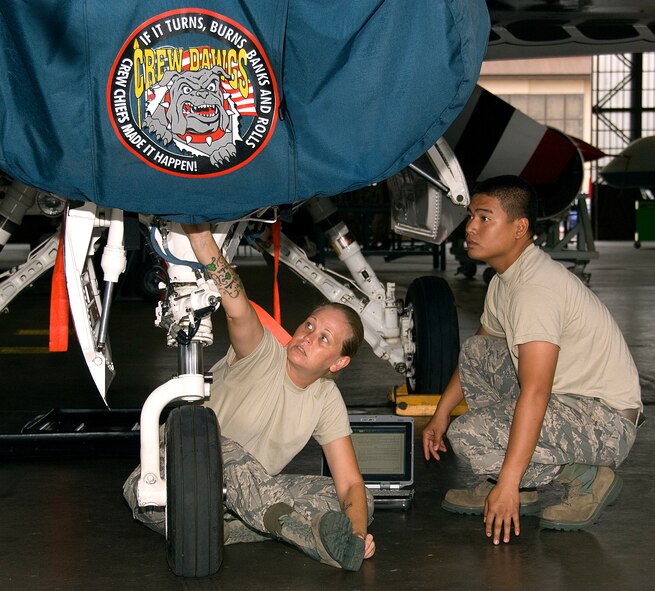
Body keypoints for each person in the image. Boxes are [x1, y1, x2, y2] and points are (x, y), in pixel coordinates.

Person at [123, 224, 376, 570]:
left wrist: (358, 533)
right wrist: (199, 238)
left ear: (339, 362)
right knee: (219, 446)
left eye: (324, 339)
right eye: (310, 326)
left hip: (241, 501)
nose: (306, 337)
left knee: (359, 501)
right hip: (175, 487)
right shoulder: (262, 352)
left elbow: (349, 482)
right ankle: (304, 537)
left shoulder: (326, 400)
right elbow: (237, 307)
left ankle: (232, 529)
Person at [422, 175, 643, 544]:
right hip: (570, 400)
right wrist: (442, 410)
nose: (471, 228)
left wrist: (506, 483)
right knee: (476, 352)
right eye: (471, 217)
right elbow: (480, 351)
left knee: (469, 436)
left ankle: (584, 477)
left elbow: (536, 391)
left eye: (484, 218)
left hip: (606, 422)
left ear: (519, 228)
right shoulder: (503, 281)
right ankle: (519, 483)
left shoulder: (534, 291)